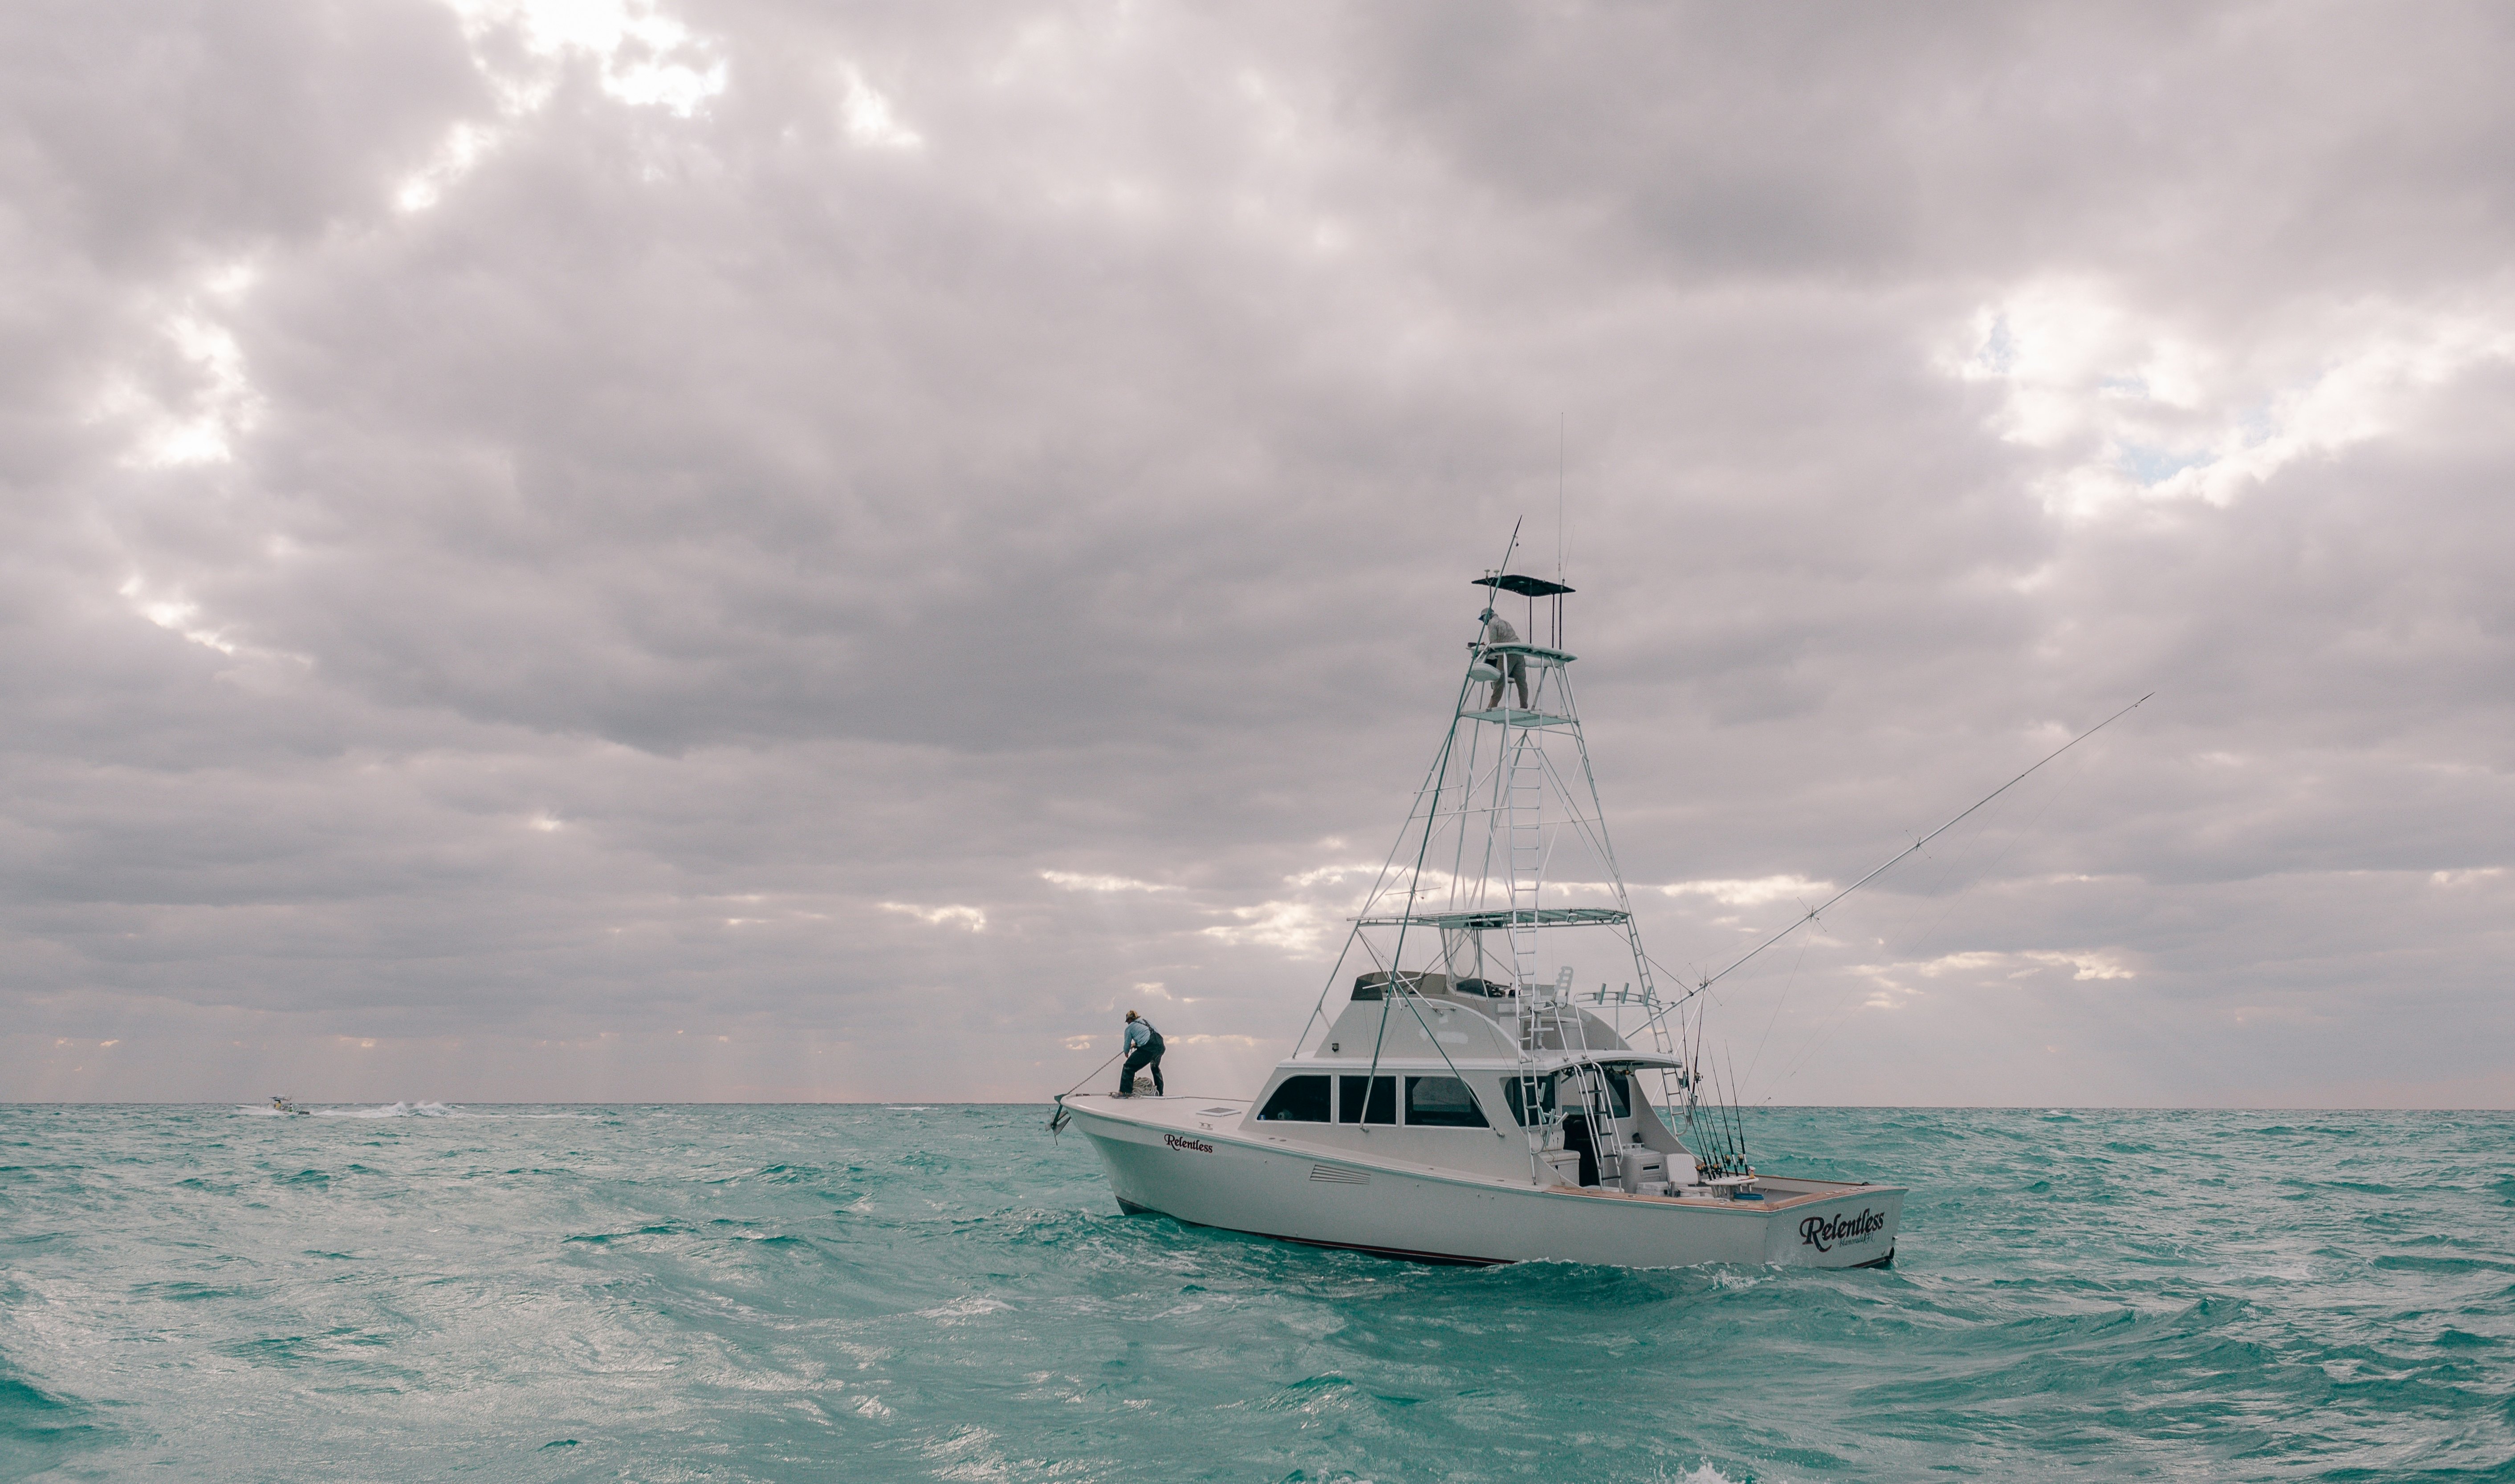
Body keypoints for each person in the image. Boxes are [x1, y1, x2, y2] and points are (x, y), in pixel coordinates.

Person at [1477, 607, 1530, 710]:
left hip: (1508, 653)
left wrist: (1487, 649)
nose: (1484, 622)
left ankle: (1493, 705)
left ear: (1487, 616)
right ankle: (1524, 705)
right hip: (1519, 652)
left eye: (1483, 619)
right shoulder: (1505, 622)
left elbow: (1494, 643)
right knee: (1522, 682)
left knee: (1499, 680)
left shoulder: (1492, 623)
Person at [1117, 1010, 1165, 1098]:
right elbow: (1149, 1035)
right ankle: (1160, 1092)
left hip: (1149, 1047)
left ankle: (1125, 1092)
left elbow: (1127, 1044)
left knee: (1129, 1067)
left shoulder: (1130, 1027)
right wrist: (1136, 1044)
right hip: (1160, 1046)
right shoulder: (1146, 1022)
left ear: (1129, 1020)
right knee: (1155, 1067)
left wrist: (1126, 1052)